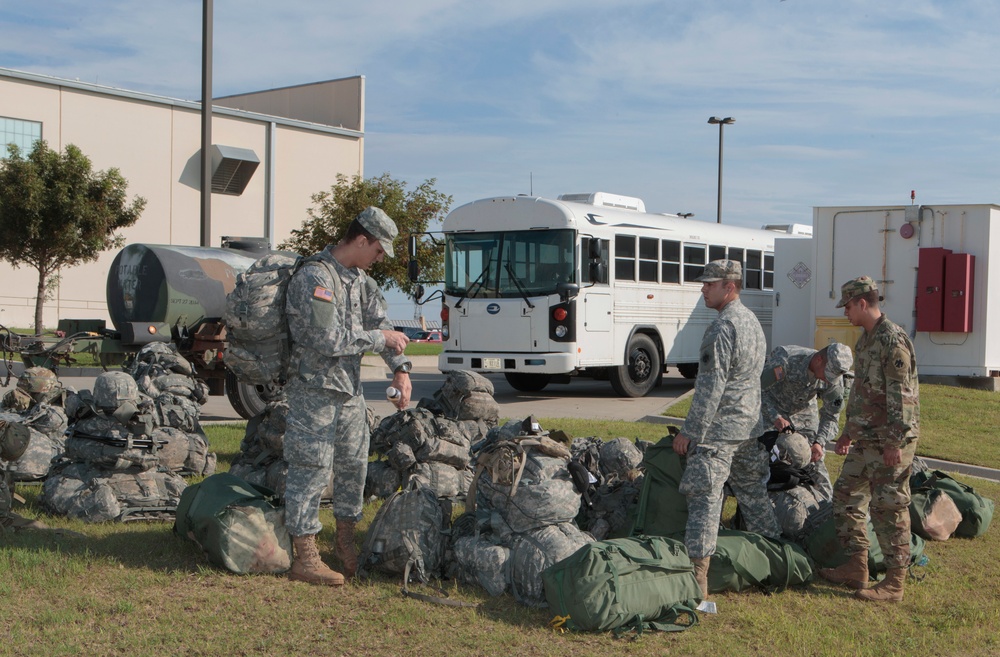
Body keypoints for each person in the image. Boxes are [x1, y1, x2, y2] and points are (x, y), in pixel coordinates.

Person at [282, 206, 414, 587]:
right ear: (361, 240)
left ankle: (344, 542)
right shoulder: (315, 278)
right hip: (315, 392)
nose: (379, 258)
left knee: (354, 467)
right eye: (378, 250)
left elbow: (381, 325)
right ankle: (305, 555)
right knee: (310, 469)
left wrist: (401, 367)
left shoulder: (361, 281)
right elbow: (325, 339)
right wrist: (379, 340)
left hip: (349, 391)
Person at [672, 259, 774, 599]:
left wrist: (691, 431)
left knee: (705, 497)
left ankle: (697, 580)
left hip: (719, 430)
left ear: (729, 287)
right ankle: (773, 561)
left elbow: (710, 386)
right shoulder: (752, 321)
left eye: (709, 283)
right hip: (748, 427)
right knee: (754, 496)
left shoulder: (723, 327)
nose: (703, 288)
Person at [819, 276, 920, 603]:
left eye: (847, 305)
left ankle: (894, 582)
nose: (845, 312)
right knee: (846, 494)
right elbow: (861, 393)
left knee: (888, 507)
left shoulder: (892, 341)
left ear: (863, 302)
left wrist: (894, 442)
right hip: (866, 439)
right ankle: (857, 566)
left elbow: (902, 398)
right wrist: (848, 431)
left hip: (891, 441)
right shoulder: (865, 341)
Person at [754, 342, 854, 500]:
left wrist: (819, 442)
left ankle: (824, 511)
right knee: (768, 464)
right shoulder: (785, 361)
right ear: (818, 360)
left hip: (804, 416)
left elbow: (832, 415)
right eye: (827, 374)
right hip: (771, 413)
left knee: (815, 465)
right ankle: (761, 509)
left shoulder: (834, 377)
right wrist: (775, 417)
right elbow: (757, 391)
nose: (828, 380)